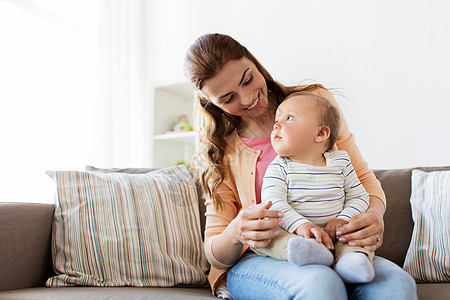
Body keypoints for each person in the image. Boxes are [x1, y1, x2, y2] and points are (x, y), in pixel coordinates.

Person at [184, 33, 417, 299]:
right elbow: (215, 252)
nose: (248, 98)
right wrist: (236, 231)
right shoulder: (220, 150)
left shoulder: (315, 103)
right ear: (211, 103)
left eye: (247, 79)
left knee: (397, 287)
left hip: (336, 244)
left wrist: (373, 215)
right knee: (320, 284)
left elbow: (361, 177)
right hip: (262, 257)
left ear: (253, 61)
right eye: (228, 99)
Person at [254, 91, 374, 284]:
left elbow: (360, 197)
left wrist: (343, 219)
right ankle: (310, 253)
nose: (276, 125)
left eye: (289, 118)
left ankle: (352, 261)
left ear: (321, 133)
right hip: (293, 232)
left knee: (355, 239)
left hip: (336, 233)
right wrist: (301, 225)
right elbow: (273, 203)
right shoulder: (279, 167)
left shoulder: (341, 161)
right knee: (269, 239)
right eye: (277, 119)